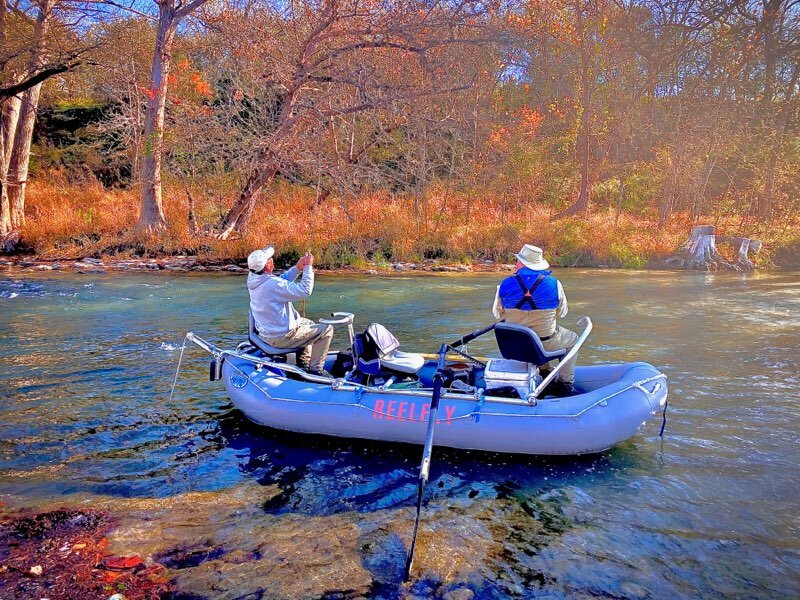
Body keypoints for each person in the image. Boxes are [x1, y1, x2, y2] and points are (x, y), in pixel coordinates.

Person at [492, 244, 578, 395]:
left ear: (522, 263)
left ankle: (545, 373)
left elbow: (498, 314)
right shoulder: (555, 284)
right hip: (545, 342)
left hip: (515, 346)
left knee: (532, 337)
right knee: (573, 340)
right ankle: (565, 384)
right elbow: (562, 312)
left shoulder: (503, 285)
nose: (515, 263)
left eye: (517, 260)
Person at [247, 246, 333, 376]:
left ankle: (303, 363)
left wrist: (298, 268)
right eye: (270, 259)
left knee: (307, 323)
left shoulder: (253, 278)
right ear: (268, 266)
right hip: (281, 337)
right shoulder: (272, 284)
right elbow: (305, 290)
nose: (272, 260)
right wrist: (308, 267)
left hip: (267, 333)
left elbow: (280, 282)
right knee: (327, 330)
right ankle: (316, 371)